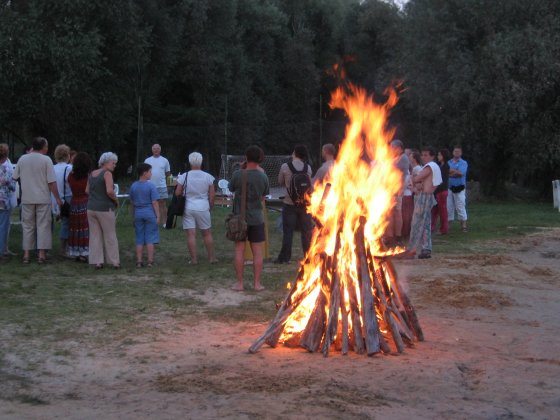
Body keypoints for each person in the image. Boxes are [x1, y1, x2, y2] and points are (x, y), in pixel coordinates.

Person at [12, 137, 63, 264]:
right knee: (43, 226)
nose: (47, 148)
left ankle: (26, 255)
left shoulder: (22, 159)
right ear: (42, 147)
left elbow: (15, 177)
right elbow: (51, 182)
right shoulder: (46, 160)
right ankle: (41, 255)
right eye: (46, 146)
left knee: (28, 226)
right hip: (43, 198)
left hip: (27, 198)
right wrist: (57, 198)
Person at [229, 145, 269, 291]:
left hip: (240, 218)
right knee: (257, 251)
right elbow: (263, 197)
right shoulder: (263, 176)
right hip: (257, 218)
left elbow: (231, 188)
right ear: (260, 159)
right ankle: (257, 284)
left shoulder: (238, 174)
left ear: (246, 157)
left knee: (239, 249)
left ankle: (239, 284)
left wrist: (240, 169)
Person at [175, 152, 216, 264]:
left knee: (191, 234)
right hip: (203, 206)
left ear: (190, 162)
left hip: (188, 206)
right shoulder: (208, 177)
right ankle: (211, 258)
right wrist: (210, 206)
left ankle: (194, 259)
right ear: (201, 161)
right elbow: (212, 195)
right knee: (207, 233)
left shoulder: (184, 176)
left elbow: (177, 192)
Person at [275, 144, 313, 264]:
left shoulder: (285, 166)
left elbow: (280, 181)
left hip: (289, 203)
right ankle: (308, 257)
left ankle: (285, 257)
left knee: (288, 232)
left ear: (295, 153)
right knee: (306, 232)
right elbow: (310, 186)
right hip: (305, 205)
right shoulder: (308, 168)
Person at [405, 146, 442, 259]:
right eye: (422, 155)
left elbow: (416, 178)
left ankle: (411, 250)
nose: (423, 157)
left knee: (416, 223)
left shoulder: (430, 166)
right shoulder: (433, 166)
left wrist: (413, 179)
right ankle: (426, 249)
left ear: (432, 156)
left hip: (424, 197)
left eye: (426, 155)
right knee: (425, 224)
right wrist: (417, 184)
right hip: (426, 195)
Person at [86, 152, 120, 269]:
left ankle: (97, 262)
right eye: (113, 163)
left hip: (91, 208)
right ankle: (114, 261)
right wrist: (116, 200)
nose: (114, 165)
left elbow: (87, 191)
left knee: (95, 235)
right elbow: (110, 191)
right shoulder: (107, 174)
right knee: (110, 234)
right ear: (106, 162)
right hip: (105, 208)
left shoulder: (91, 173)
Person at [130, 163, 160, 267]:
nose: (151, 173)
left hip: (138, 214)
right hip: (149, 214)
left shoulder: (134, 186)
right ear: (144, 173)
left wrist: (133, 216)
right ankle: (150, 261)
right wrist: (158, 215)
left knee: (139, 238)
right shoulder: (151, 185)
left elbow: (132, 203)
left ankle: (139, 261)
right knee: (150, 238)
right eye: (150, 171)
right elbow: (154, 202)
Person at [67, 152, 92, 261]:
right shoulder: (88, 176)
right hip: (85, 201)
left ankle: (75, 251)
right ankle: (85, 252)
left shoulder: (71, 175)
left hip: (74, 202)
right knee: (85, 228)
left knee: (75, 228)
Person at [386, 139, 410, 248]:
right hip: (389, 189)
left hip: (396, 189)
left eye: (393, 147)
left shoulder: (403, 158)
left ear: (399, 148)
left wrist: (400, 189)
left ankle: (397, 237)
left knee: (396, 213)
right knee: (389, 214)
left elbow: (403, 174)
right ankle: (390, 237)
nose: (391, 149)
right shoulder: (393, 158)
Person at [52, 144, 73, 256]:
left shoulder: (53, 168)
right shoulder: (69, 168)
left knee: (64, 222)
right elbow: (71, 183)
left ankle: (64, 248)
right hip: (67, 198)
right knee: (67, 223)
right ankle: (65, 249)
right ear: (67, 155)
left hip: (55, 198)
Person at [144, 144, 171, 227]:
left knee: (163, 204)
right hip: (149, 186)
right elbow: (144, 173)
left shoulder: (165, 160)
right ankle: (153, 222)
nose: (156, 150)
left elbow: (168, 174)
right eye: (154, 149)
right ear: (152, 150)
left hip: (162, 186)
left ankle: (165, 222)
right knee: (150, 204)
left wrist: (169, 185)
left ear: (160, 150)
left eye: (157, 148)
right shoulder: (147, 160)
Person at [0, 143, 16, 260]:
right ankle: (2, 250)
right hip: (4, 200)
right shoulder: (8, 167)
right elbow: (12, 186)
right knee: (3, 226)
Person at [447, 145, 469, 232]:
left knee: (460, 205)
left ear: (461, 153)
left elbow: (461, 173)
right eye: (455, 151)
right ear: (453, 152)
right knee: (449, 207)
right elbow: (446, 173)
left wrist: (452, 171)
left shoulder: (464, 163)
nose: (457, 153)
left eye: (458, 151)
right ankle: (448, 226)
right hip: (449, 187)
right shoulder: (449, 162)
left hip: (460, 188)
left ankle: (463, 225)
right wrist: (455, 172)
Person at [431, 148, 450, 235]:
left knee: (442, 211)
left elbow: (442, 180)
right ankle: (432, 227)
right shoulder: (440, 166)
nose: (438, 156)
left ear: (443, 156)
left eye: (439, 155)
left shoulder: (446, 166)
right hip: (437, 191)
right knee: (434, 210)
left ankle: (444, 229)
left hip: (442, 191)